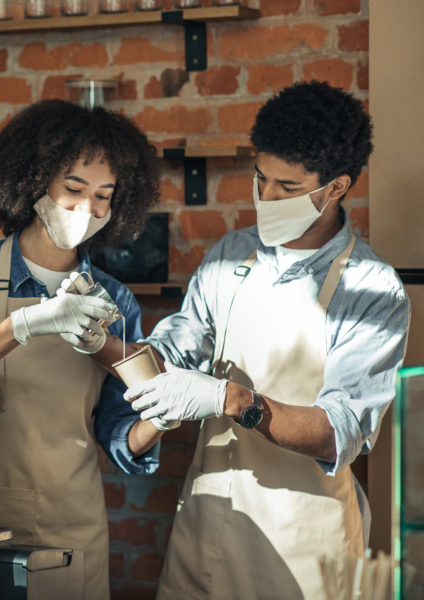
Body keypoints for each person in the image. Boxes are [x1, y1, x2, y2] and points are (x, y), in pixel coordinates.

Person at [91, 81, 411, 599]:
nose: (266, 197)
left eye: (288, 187)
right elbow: (171, 353)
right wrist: (99, 343)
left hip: (304, 545)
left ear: (336, 187)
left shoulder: (373, 291)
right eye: (260, 178)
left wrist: (232, 399)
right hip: (208, 521)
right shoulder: (230, 256)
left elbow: (340, 432)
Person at [0, 98, 165, 599]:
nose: (86, 209)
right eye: (73, 188)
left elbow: (118, 435)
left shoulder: (113, 300)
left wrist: (163, 414)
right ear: (33, 181)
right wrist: (20, 326)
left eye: (103, 196)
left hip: (72, 529)